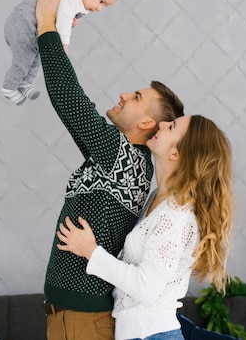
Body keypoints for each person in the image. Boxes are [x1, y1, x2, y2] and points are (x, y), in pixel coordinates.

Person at [35, 0, 185, 340]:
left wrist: (46, 27)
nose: (123, 94)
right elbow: (70, 110)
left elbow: (70, 100)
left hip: (84, 322)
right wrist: (62, 32)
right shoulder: (116, 157)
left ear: (147, 124)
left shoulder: (125, 159)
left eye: (135, 97)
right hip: (70, 318)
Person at [56, 114, 235, 340]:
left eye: (171, 127)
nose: (161, 124)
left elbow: (146, 288)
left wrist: (91, 252)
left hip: (148, 334)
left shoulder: (175, 214)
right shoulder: (157, 200)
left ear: (175, 153)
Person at [1, 0, 121, 105]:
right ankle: (9, 87)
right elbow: (62, 24)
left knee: (36, 57)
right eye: (101, 1)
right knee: (23, 60)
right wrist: (62, 50)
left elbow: (59, 21)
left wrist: (71, 23)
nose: (99, 8)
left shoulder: (79, 0)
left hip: (32, 28)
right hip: (22, 23)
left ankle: (24, 84)